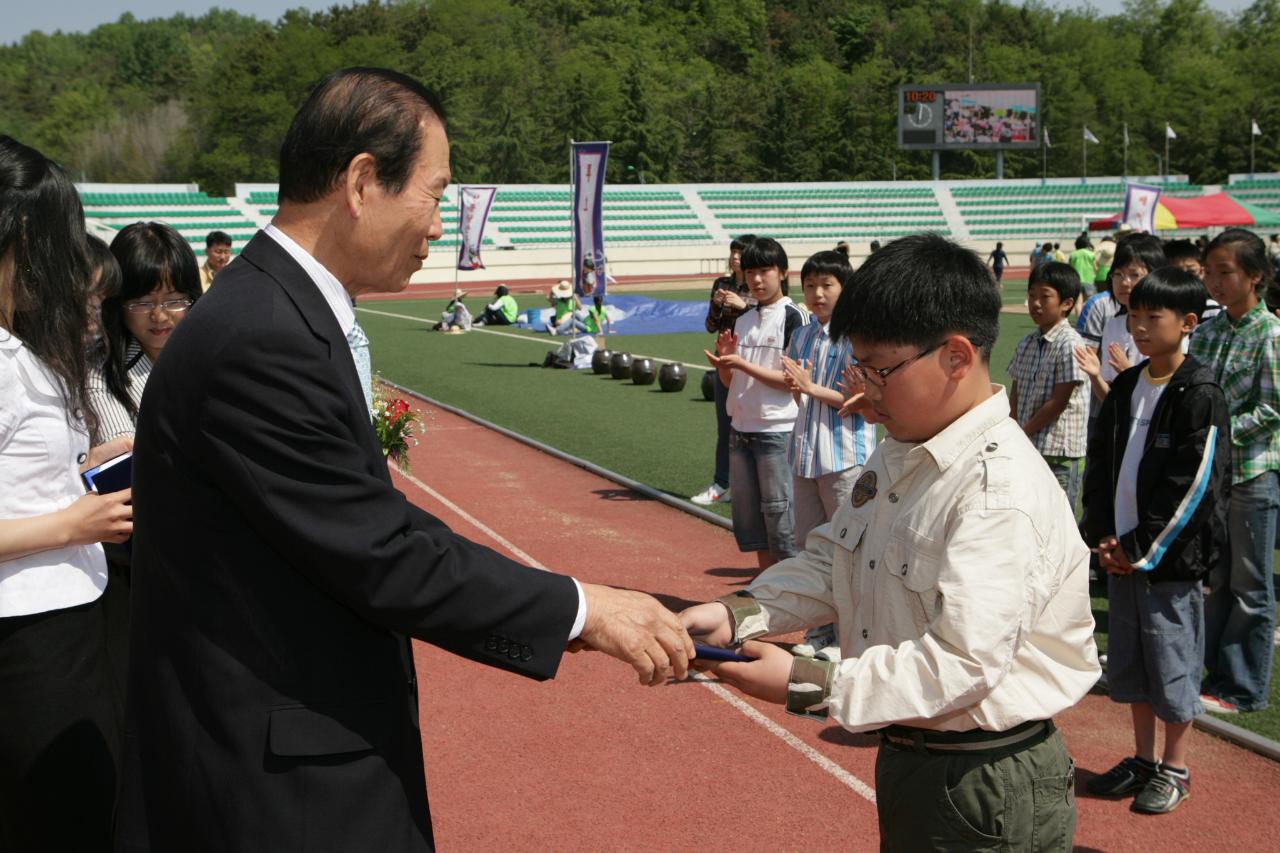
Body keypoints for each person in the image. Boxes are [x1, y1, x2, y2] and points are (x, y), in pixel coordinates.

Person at [115, 68, 692, 853]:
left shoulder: (278, 308)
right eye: (435, 193)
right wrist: (582, 609)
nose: (440, 225)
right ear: (361, 181)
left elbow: (359, 523)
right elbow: (378, 548)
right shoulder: (263, 335)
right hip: (278, 788)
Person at [681, 234, 1099, 851]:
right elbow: (834, 557)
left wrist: (811, 682)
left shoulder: (995, 493)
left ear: (956, 356)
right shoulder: (907, 447)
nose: (865, 393)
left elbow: (963, 665)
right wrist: (737, 615)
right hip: (917, 753)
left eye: (878, 370)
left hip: (982, 774)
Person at [0, 134, 135, 853]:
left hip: (62, 622)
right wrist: (72, 520)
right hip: (29, 638)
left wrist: (86, 469)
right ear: (23, 234)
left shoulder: (18, 349)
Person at [1081, 267, 1229, 814]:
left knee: (1172, 663)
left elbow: (1192, 487)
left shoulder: (1200, 392)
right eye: (1133, 316)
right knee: (1132, 663)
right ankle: (1143, 759)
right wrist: (1102, 536)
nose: (1139, 327)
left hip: (1167, 562)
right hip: (1120, 553)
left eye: (1152, 317)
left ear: (1188, 322)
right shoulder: (1125, 385)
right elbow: (1101, 466)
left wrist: (1139, 548)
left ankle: (1176, 767)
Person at [1190, 228, 1280, 714]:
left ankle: (1243, 688)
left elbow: (1272, 408)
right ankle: (1215, 677)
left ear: (1255, 276)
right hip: (1214, 478)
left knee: (1249, 585)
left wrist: (1219, 434)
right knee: (1218, 582)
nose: (1215, 282)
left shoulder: (1271, 334)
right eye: (1209, 272)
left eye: (1225, 272)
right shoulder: (1207, 331)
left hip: (1250, 475)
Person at [780, 250, 875, 660]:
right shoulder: (802, 335)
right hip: (805, 454)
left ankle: (847, 636)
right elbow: (795, 386)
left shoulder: (858, 337)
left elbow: (863, 400)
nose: (817, 294)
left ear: (845, 288)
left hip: (844, 456)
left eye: (827, 285)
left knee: (847, 550)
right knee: (810, 549)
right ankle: (819, 632)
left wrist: (809, 386)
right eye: (811, 285)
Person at [704, 236, 805, 570]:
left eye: (765, 271)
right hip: (741, 428)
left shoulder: (793, 318)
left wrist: (741, 364)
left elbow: (795, 383)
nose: (757, 280)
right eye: (751, 272)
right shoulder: (743, 320)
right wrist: (725, 365)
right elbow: (732, 382)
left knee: (781, 516)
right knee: (752, 519)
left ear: (783, 272)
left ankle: (790, 589)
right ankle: (766, 584)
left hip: (777, 430)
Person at [87, 222, 202, 442]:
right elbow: (123, 452)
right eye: (142, 302)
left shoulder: (215, 357)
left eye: (175, 300)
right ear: (116, 302)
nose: (159, 316)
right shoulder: (102, 373)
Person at [1008, 262, 1089, 508]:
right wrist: (1012, 428)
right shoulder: (1027, 343)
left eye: (1045, 297)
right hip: (1029, 445)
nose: (1035, 303)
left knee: (1058, 517)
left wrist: (1022, 432)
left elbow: (1058, 402)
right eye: (1032, 295)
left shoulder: (1070, 343)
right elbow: (1017, 390)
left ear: (1067, 303)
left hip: (1059, 451)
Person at [693, 235, 755, 506]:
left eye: (740, 253)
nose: (735, 258)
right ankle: (721, 483)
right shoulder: (722, 283)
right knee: (725, 425)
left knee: (757, 426)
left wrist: (745, 306)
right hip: (725, 361)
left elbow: (770, 315)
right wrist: (718, 306)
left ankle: (749, 486)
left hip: (754, 361)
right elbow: (710, 325)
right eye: (733, 253)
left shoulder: (758, 284)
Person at [1075, 233, 1166, 407]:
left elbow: (1163, 395)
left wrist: (1127, 372)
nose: (1124, 282)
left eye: (1134, 274)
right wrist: (1095, 376)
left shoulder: (1167, 325)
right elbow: (1110, 398)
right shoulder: (1114, 326)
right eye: (1118, 274)